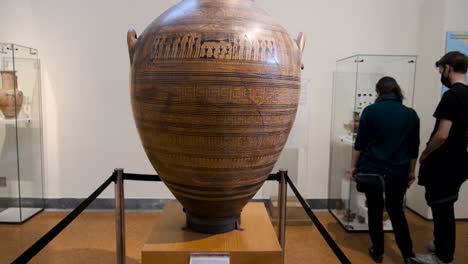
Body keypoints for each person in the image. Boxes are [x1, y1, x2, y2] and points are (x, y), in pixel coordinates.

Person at [350, 76, 420, 264]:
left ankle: (378, 251)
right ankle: (407, 254)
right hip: (398, 171)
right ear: (397, 91)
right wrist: (411, 171)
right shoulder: (410, 114)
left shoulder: (370, 111)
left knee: (374, 209)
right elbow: (414, 148)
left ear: (378, 92)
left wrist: (354, 166)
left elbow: (360, 143)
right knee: (396, 211)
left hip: (372, 169)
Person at [416, 51, 468, 264]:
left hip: (444, 162)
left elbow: (443, 133)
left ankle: (442, 255)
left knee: (441, 208)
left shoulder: (452, 95)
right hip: (459, 160)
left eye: (440, 69)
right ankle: (440, 244)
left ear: (448, 67)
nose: (441, 74)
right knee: (445, 205)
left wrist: (426, 152)